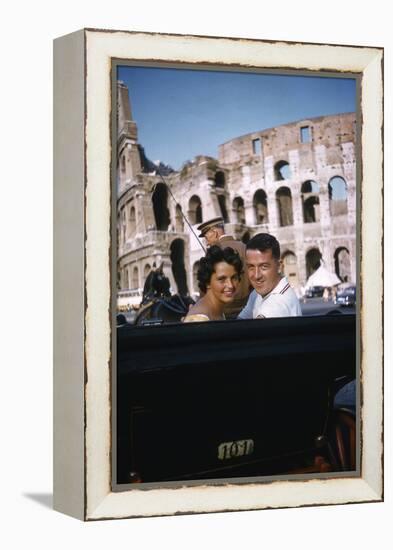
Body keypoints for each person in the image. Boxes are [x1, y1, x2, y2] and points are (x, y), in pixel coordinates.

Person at [238, 233, 302, 319]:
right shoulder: (257, 293)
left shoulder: (278, 305)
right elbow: (241, 320)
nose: (256, 276)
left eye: (264, 267)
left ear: (279, 266)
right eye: (251, 267)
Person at [197, 217, 251, 317]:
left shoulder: (213, 254)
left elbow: (204, 289)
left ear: (215, 233)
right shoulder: (244, 247)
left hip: (223, 314)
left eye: (206, 238)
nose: (207, 243)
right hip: (248, 311)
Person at [183, 245, 242, 322]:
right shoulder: (199, 319)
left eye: (234, 278)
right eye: (222, 279)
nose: (230, 285)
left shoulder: (217, 310)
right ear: (208, 282)